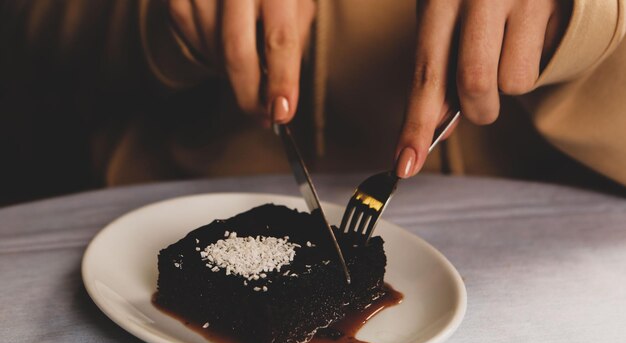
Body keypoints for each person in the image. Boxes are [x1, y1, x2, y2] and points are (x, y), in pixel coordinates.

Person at [1, 1, 625, 205]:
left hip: (528, 274)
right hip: (164, 210)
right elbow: (33, 33)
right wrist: (157, 18)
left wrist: (591, 19)